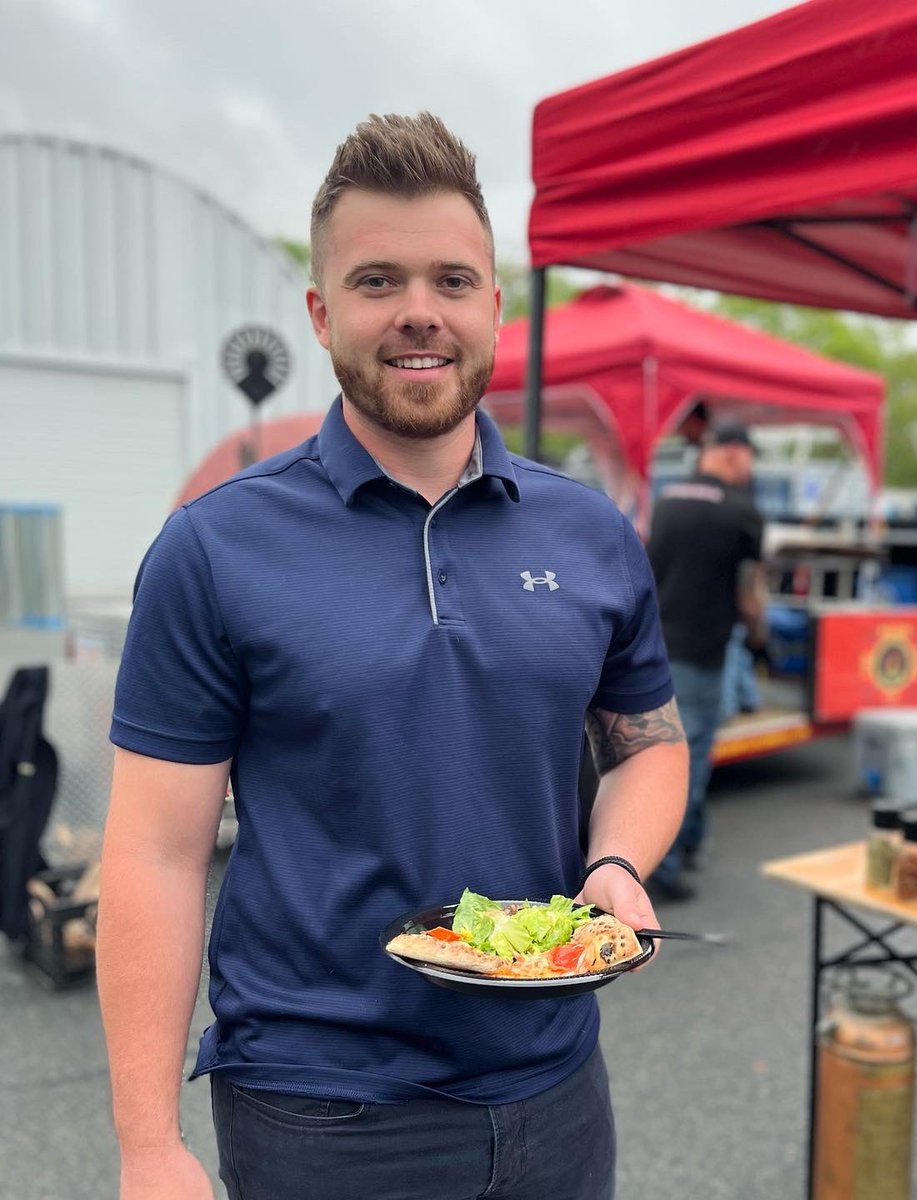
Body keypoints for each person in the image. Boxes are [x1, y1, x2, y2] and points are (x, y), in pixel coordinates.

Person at [96, 112, 687, 1200]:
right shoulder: (215, 548)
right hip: (320, 1108)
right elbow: (154, 855)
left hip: (554, 1084)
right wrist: (147, 1144)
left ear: (495, 309)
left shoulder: (589, 533)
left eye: (453, 280)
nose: (421, 311)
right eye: (378, 281)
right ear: (322, 315)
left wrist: (614, 865)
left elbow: (647, 743)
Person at [645, 422, 766, 901]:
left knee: (658, 749)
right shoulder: (742, 510)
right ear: (734, 454)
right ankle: (665, 863)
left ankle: (691, 840)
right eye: (750, 455)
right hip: (702, 648)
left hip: (654, 644)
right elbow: (751, 591)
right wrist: (759, 638)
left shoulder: (668, 497)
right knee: (689, 756)